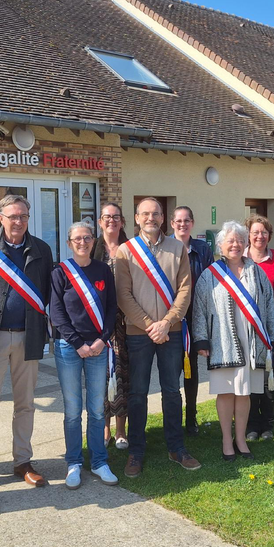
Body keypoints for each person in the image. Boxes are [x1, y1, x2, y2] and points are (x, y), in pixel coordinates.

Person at [0, 194, 53, 488]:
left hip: (29, 337)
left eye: (23, 216)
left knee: (25, 404)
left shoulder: (41, 249)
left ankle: (22, 461)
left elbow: (46, 292)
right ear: (0, 218)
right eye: (13, 216)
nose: (18, 222)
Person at [115, 197, 200, 477]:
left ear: (163, 218)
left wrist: (167, 322)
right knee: (138, 393)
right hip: (139, 333)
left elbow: (185, 290)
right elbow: (123, 294)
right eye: (145, 214)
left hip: (171, 332)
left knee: (172, 392)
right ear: (137, 218)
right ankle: (136, 451)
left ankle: (176, 447)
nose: (150, 218)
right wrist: (150, 325)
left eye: (155, 214)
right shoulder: (126, 251)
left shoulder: (177, 248)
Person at [194, 221, 274, 460]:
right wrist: (201, 339)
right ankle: (226, 441)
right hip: (222, 342)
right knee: (225, 392)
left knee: (244, 393)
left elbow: (269, 305)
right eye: (230, 241)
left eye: (240, 240)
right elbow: (200, 309)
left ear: (245, 244)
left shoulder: (257, 272)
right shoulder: (209, 275)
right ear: (221, 245)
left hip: (252, 341)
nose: (235, 245)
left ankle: (241, 439)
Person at [51, 222, 119, 489]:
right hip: (69, 347)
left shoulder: (103, 270)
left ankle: (99, 461)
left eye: (87, 237)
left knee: (97, 409)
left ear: (93, 241)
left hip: (98, 347)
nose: (83, 242)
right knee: (72, 410)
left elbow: (112, 308)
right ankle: (74, 463)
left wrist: (102, 340)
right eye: (77, 239)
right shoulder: (60, 272)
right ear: (69, 243)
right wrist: (78, 343)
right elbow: (56, 313)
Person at [171, 206, 214, 436]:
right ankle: (172, 419)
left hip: (195, 318)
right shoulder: (165, 247)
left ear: (192, 223)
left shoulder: (202, 249)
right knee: (171, 371)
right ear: (172, 224)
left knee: (191, 370)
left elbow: (210, 282)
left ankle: (191, 417)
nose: (183, 224)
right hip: (171, 319)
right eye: (178, 221)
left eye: (187, 220)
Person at [93, 203, 130, 450]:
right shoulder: (91, 249)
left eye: (116, 217)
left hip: (126, 324)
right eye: (107, 217)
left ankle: (121, 430)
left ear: (122, 221)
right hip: (99, 324)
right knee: (102, 376)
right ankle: (104, 428)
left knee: (123, 375)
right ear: (100, 222)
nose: (111, 221)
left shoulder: (131, 248)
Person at [244, 214, 274, 442]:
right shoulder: (239, 259)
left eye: (264, 232)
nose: (260, 236)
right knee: (249, 376)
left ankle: (267, 423)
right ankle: (251, 423)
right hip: (245, 331)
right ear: (248, 235)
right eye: (255, 232)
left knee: (269, 376)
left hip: (271, 329)